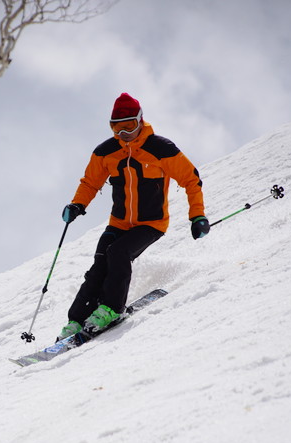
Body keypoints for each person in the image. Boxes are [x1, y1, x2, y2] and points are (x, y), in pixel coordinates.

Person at [58, 93, 209, 341]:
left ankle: (112, 309)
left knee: (118, 253)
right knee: (99, 263)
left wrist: (197, 216)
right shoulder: (105, 152)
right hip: (118, 223)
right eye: (116, 127)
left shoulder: (161, 149)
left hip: (151, 223)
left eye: (129, 126)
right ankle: (76, 319)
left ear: (140, 121)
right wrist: (77, 204)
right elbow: (90, 183)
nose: (123, 133)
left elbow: (191, 180)